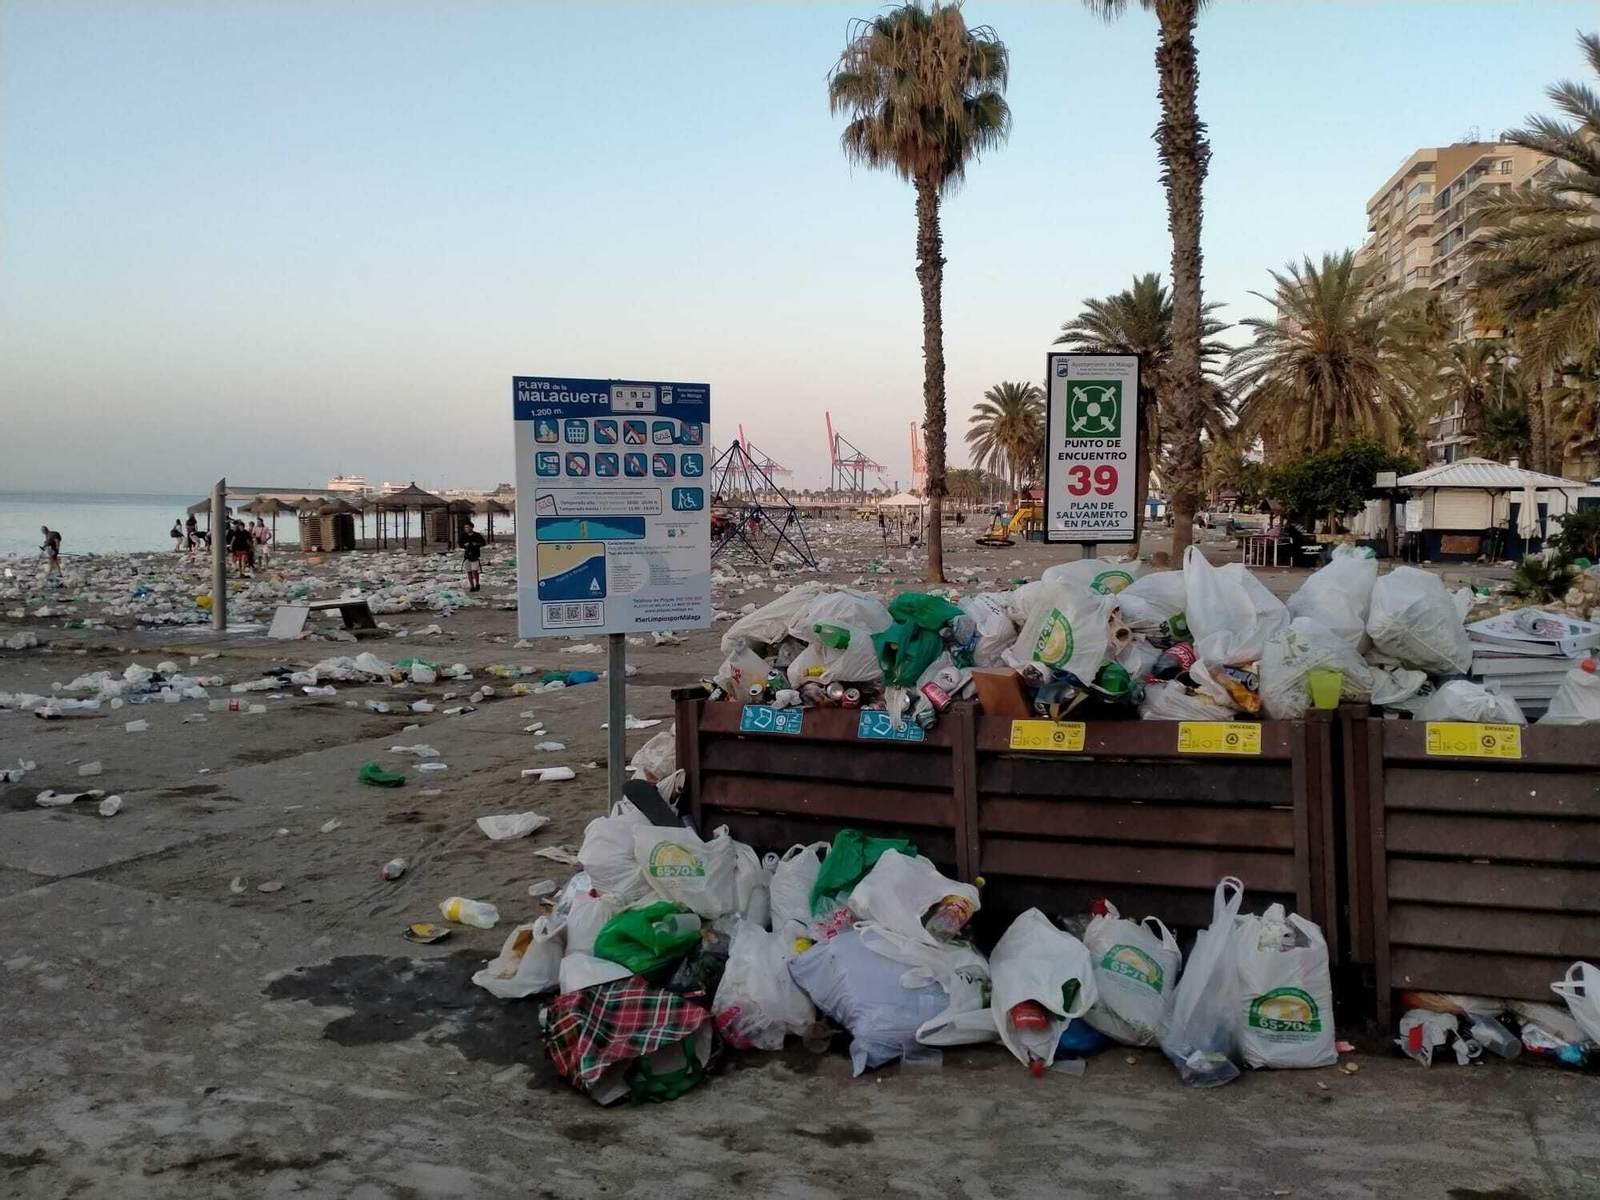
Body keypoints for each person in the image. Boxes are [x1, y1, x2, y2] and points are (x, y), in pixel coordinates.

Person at [461, 520, 487, 592]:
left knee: (474, 571)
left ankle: (477, 584)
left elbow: (483, 543)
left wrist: (477, 544)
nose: (466, 529)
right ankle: (472, 586)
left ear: (471, 528)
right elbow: (460, 544)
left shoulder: (477, 535)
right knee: (469, 571)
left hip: (475, 555)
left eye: (467, 527)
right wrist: (464, 545)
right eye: (465, 527)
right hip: (467, 556)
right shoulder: (463, 535)